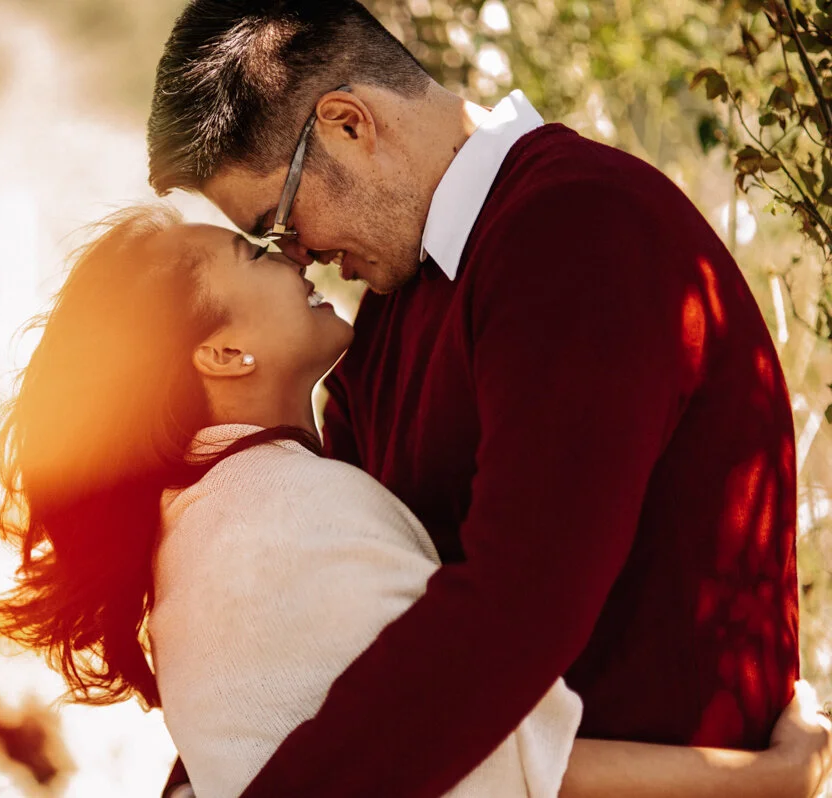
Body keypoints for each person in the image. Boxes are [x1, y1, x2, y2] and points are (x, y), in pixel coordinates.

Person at [145, 1, 812, 795]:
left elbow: (515, 609)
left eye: (279, 222)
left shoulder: (579, 230)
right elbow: (342, 636)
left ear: (349, 125)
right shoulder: (393, 313)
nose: (299, 259)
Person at [0, 206, 832, 798]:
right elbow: (489, 766)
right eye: (253, 253)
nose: (292, 256)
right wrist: (769, 781)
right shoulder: (281, 519)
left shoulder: (211, 524)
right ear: (226, 353)